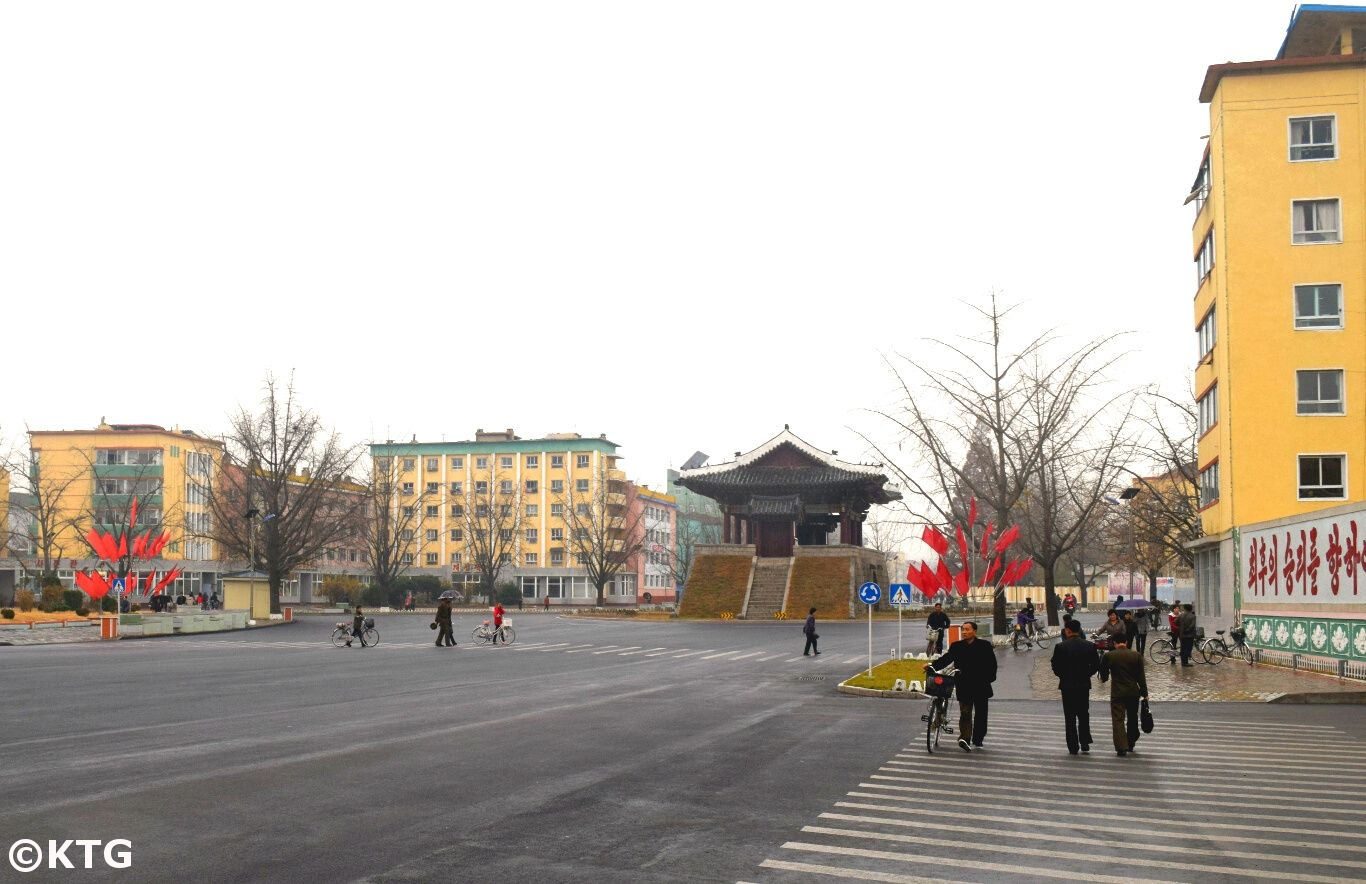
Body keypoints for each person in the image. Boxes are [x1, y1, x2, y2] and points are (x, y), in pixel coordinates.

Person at [928, 621, 997, 752]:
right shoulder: (957, 646)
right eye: (962, 630)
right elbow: (946, 659)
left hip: (981, 685)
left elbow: (992, 665)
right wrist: (932, 666)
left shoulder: (984, 646)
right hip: (964, 684)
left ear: (974, 631)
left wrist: (988, 678)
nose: (964, 632)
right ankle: (964, 738)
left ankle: (978, 738)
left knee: (981, 715)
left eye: (967, 629)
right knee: (965, 713)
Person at [1050, 620, 1099, 755]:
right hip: (1083, 685)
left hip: (1067, 686)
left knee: (1070, 716)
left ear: (1068, 630)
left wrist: (1063, 676)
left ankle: (1072, 746)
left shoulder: (1060, 647)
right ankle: (1084, 742)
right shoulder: (1089, 646)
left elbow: (1055, 665)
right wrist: (1087, 674)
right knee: (1084, 714)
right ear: (1079, 629)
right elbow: (1096, 665)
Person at [1099, 638, 1148, 756]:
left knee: (1118, 719)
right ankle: (1131, 742)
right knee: (1132, 717)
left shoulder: (1109, 656)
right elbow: (1141, 676)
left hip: (1117, 692)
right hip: (1133, 692)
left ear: (1115, 643)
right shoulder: (1136, 655)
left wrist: (1104, 678)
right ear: (1126, 642)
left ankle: (1121, 746)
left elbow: (1103, 671)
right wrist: (1144, 693)